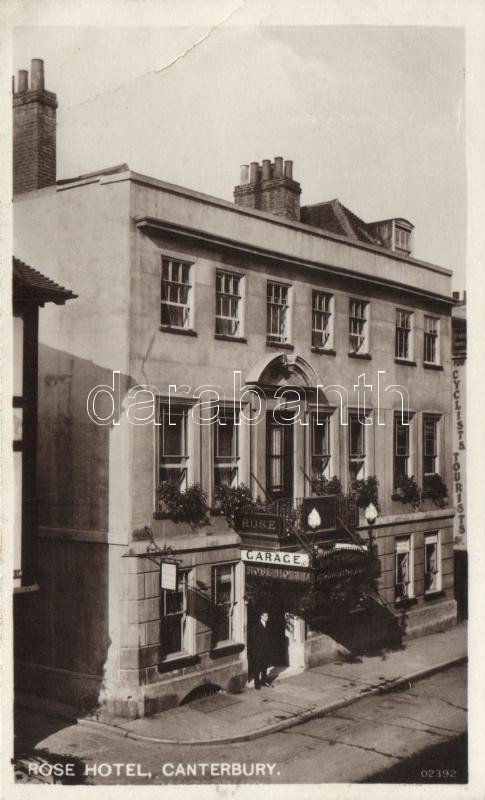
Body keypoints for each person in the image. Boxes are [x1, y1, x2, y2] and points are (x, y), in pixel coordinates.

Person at [252, 610, 273, 689]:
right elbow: (254, 639)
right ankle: (257, 683)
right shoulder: (257, 626)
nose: (267, 618)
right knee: (257, 667)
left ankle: (264, 681)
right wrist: (257, 650)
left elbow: (269, 638)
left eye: (267, 616)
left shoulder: (268, 625)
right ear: (261, 616)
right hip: (258, 651)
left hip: (265, 650)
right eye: (265, 616)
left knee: (264, 667)